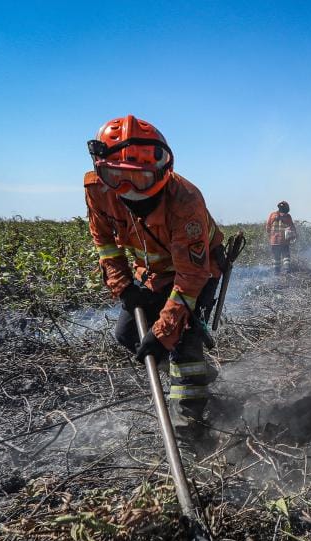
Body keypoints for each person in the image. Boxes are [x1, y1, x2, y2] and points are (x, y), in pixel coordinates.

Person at [85, 115, 224, 430]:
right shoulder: (98, 190)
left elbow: (190, 276)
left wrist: (165, 333)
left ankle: (194, 420)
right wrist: (123, 286)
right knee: (128, 334)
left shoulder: (185, 200)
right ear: (100, 169)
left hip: (197, 271)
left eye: (141, 179)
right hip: (151, 273)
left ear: (162, 172)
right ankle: (186, 369)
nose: (129, 191)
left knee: (184, 342)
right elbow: (105, 243)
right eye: (116, 176)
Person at [267, 201, 297, 274]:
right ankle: (287, 271)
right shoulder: (288, 216)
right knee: (286, 256)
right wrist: (295, 235)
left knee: (276, 258)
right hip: (284, 241)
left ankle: (276, 272)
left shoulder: (272, 215)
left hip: (274, 241)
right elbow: (292, 227)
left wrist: (271, 235)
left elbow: (268, 227)